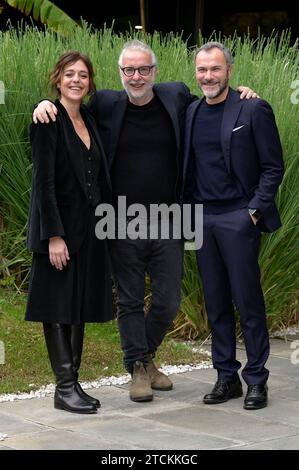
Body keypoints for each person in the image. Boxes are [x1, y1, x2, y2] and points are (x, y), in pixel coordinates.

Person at [33, 40, 257, 403]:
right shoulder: (105, 104)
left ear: (155, 71)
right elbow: (67, 107)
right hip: (119, 219)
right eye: (129, 70)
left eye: (144, 70)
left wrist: (243, 93)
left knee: (168, 299)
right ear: (120, 73)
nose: (136, 77)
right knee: (131, 300)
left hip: (169, 218)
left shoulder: (176, 96)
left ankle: (145, 354)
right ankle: (137, 367)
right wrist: (43, 103)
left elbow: (215, 99)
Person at [182, 42, 284, 410]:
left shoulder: (252, 108)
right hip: (202, 219)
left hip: (238, 218)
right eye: (202, 70)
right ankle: (226, 377)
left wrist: (253, 211)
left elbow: (273, 166)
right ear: (195, 72)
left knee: (247, 300)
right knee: (216, 302)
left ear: (229, 70)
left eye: (215, 69)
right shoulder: (191, 110)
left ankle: (256, 379)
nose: (208, 76)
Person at [26, 51, 114, 414]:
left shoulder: (90, 118)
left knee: (77, 308)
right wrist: (53, 236)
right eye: (69, 74)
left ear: (90, 82)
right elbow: (43, 183)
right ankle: (64, 387)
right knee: (58, 308)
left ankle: (72, 383)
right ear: (57, 79)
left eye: (83, 75)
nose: (76, 80)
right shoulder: (48, 118)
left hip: (90, 233)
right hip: (60, 234)